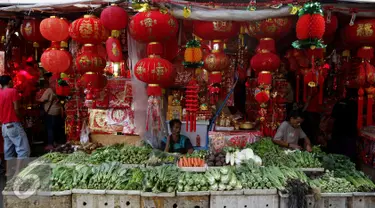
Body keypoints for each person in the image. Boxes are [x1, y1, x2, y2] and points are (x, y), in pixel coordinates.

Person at [0, 75, 31, 174]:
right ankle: (18, 172)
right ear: (9, 82)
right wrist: (22, 117)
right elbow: (16, 109)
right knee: (23, 150)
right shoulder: (13, 91)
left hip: (4, 126)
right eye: (12, 81)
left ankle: (8, 172)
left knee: (8, 150)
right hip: (13, 123)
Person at [328, 88, 358, 162]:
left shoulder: (339, 102)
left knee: (336, 152)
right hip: (349, 132)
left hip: (337, 131)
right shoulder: (355, 105)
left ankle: (336, 165)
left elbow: (332, 117)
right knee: (347, 155)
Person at [37, 78, 63, 150]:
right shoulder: (59, 89)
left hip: (50, 112)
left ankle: (50, 144)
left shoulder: (49, 90)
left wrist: (37, 99)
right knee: (56, 127)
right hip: (58, 111)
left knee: (50, 128)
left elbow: (43, 99)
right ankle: (56, 142)